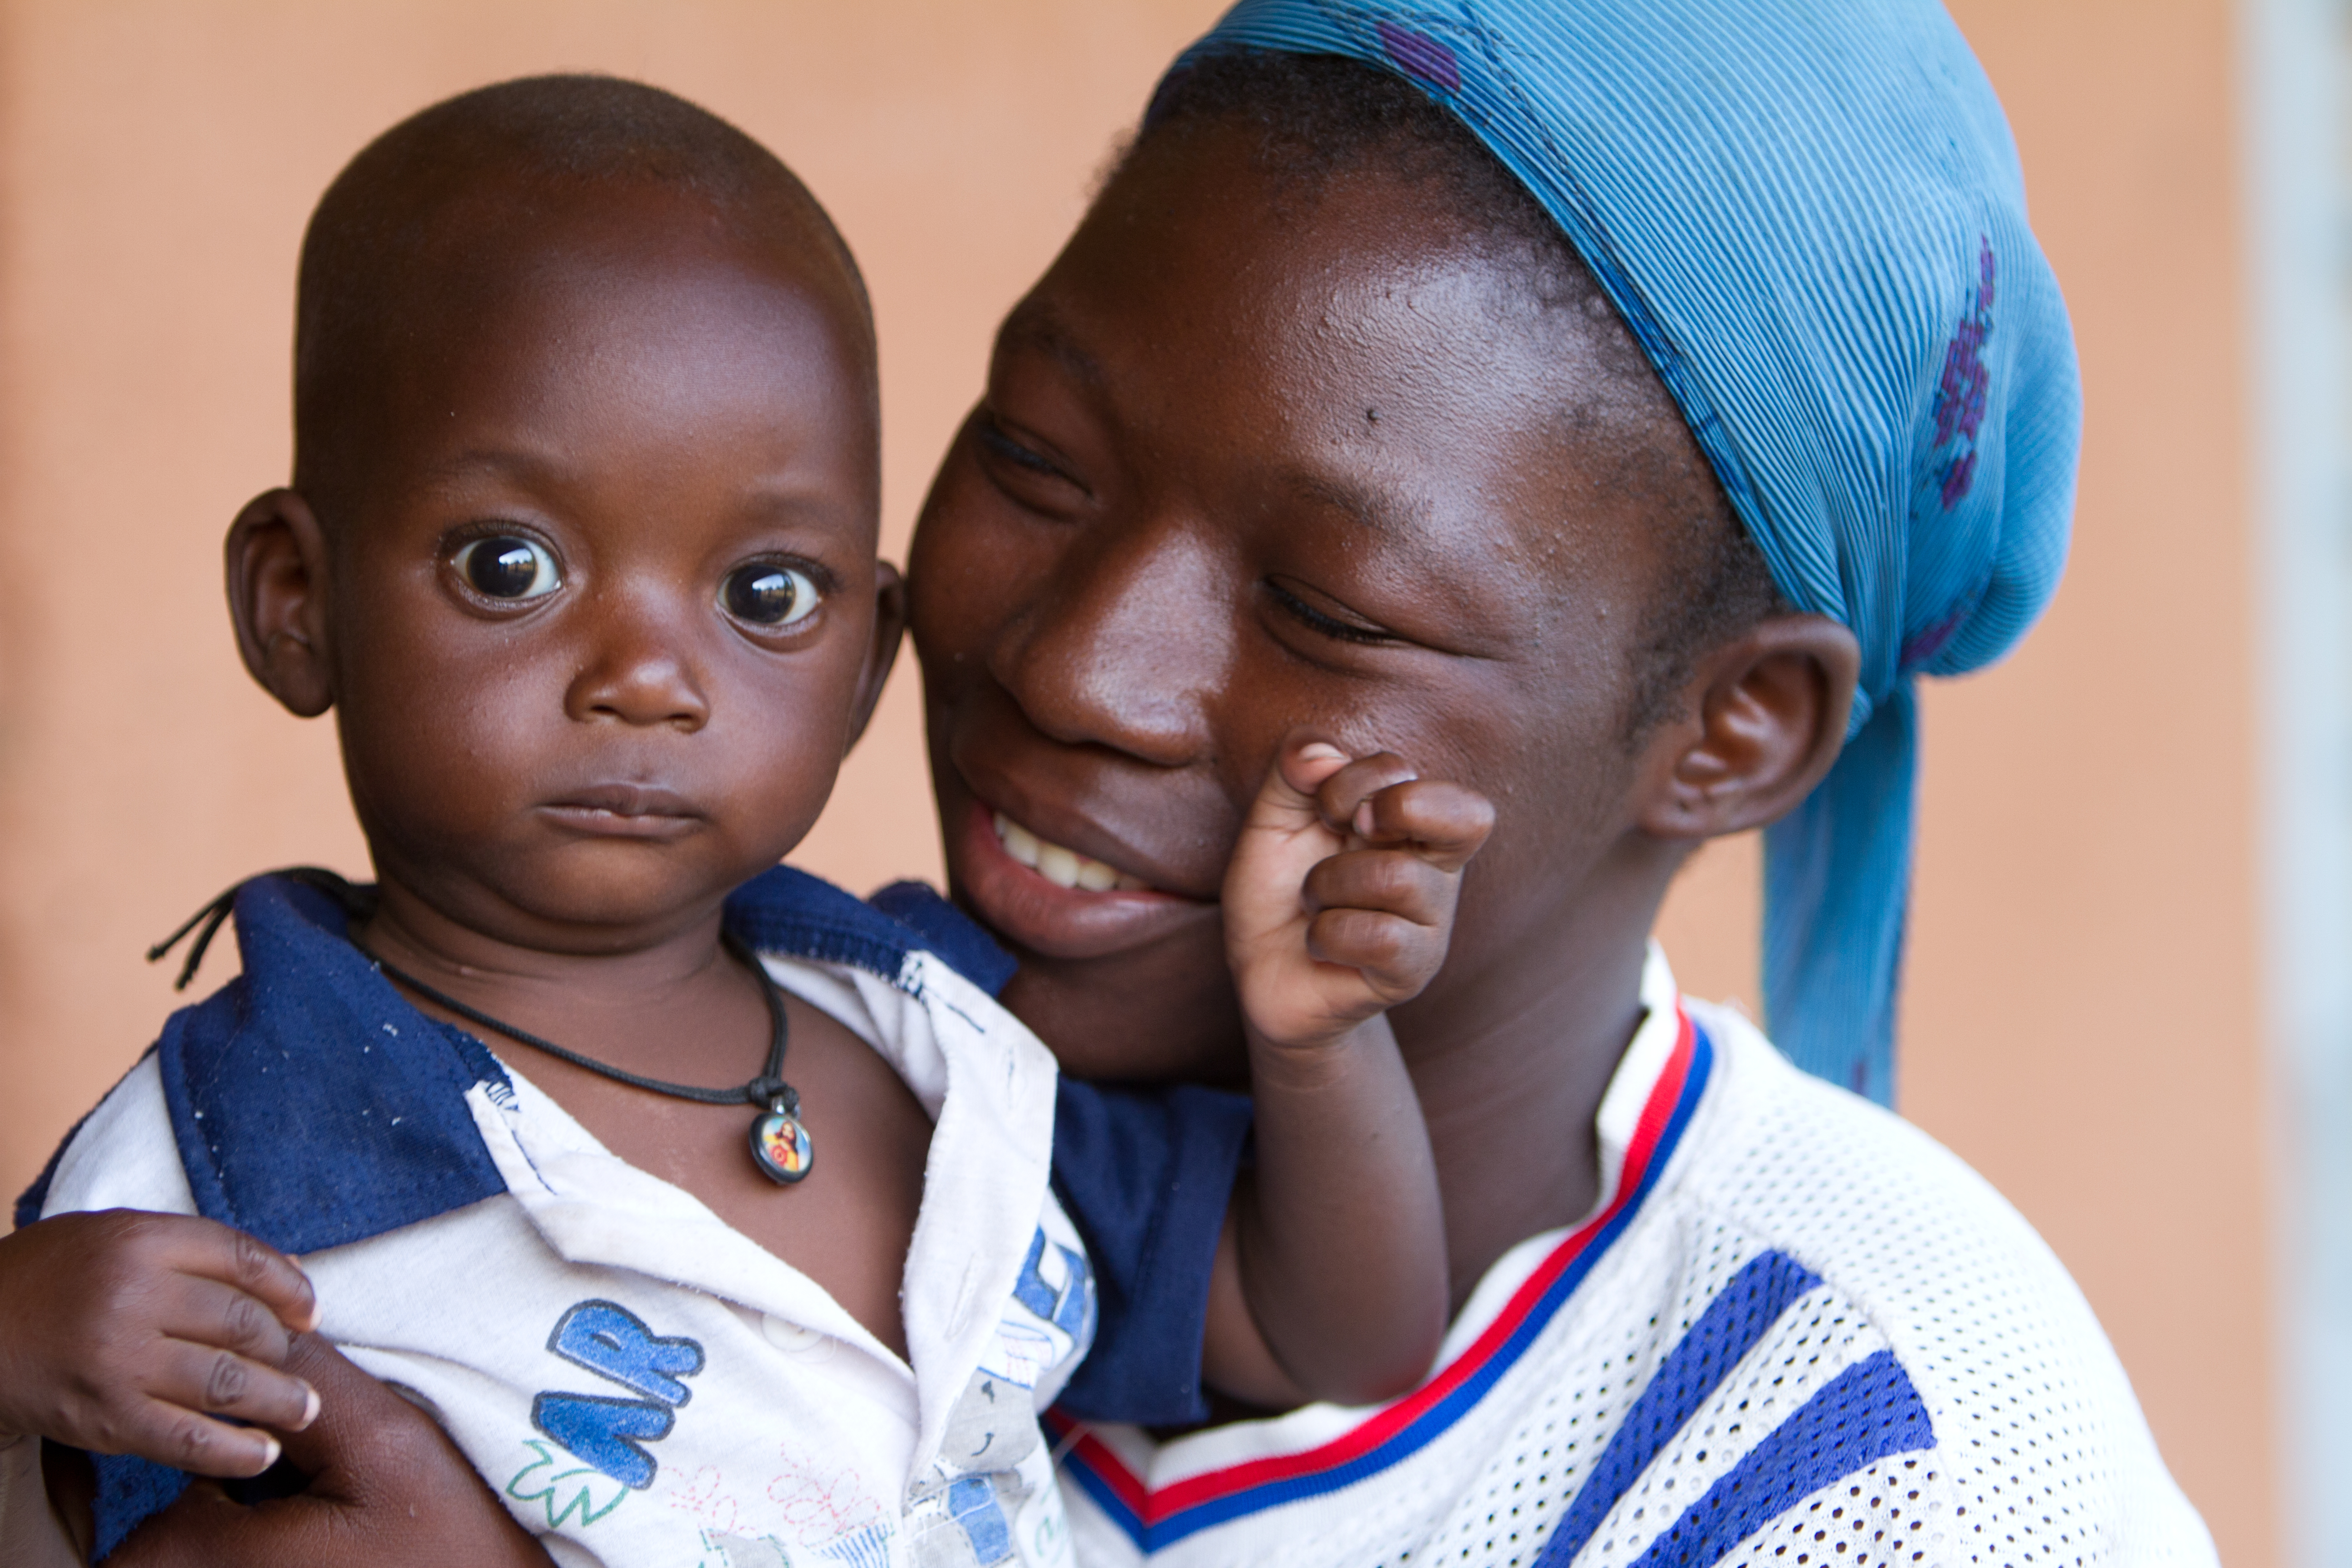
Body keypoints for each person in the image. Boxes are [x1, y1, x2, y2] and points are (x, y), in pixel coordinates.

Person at [0, 0, 2225, 1562]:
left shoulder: (1878, 1450)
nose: (1078, 665)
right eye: (1039, 465)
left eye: (1334, 608)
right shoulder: (904, 1082)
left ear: (1728, 729)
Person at [0, 70, 1490, 1567]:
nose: (648, 680)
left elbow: (1335, 1337)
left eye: (766, 597)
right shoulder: (219, 1174)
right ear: (297, 604)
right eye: (509, 567)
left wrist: (1316, 1041)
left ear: (864, 666)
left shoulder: (941, 1045)